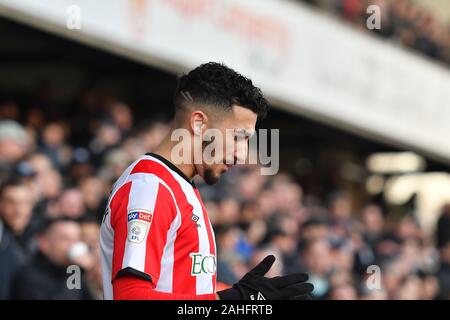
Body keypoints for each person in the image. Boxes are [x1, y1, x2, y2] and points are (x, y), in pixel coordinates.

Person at [100, 62, 314, 300]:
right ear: (199, 123)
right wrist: (229, 300)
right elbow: (131, 298)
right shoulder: (151, 187)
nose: (241, 154)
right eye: (237, 137)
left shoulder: (181, 187)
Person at [9, 217, 94, 299]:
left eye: (77, 239)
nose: (73, 245)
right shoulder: (27, 277)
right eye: (65, 239)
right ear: (44, 243)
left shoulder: (73, 271)